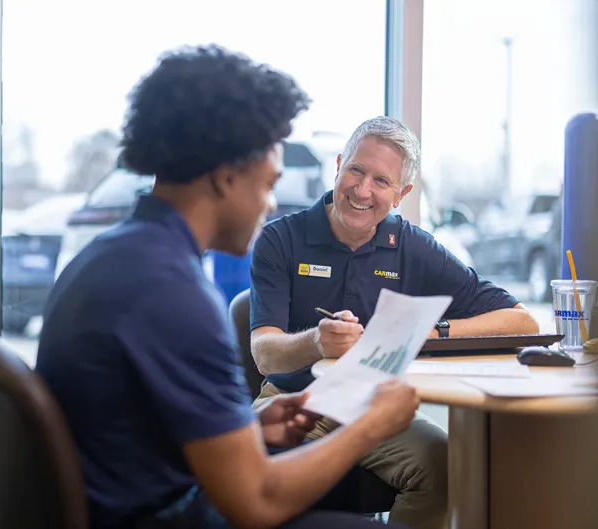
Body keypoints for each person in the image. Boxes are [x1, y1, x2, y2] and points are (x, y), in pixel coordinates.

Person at [36, 46, 419, 529]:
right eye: (268, 184)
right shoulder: (173, 295)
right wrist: (370, 426)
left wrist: (249, 427)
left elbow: (131, 430)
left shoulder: (111, 257)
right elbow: (258, 500)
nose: (270, 203)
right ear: (225, 178)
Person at [249, 116, 541, 529]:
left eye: (382, 181)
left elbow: (521, 321)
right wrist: (316, 342)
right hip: (293, 401)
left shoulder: (413, 247)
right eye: (356, 170)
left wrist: (434, 331)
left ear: (402, 194)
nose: (362, 190)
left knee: (445, 467)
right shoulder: (280, 238)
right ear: (338, 165)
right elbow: (264, 353)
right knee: (253, 471)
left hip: (375, 404)